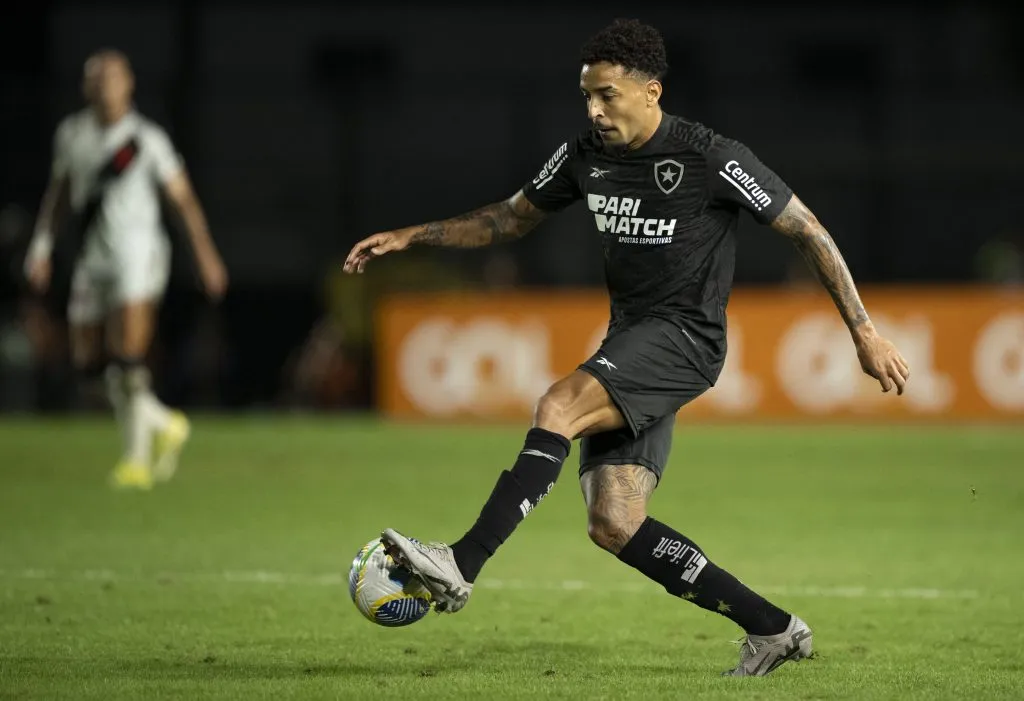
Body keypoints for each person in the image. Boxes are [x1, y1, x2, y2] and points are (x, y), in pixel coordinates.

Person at [343, 19, 910, 676]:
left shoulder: (710, 157)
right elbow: (508, 217)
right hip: (634, 340)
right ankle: (773, 627)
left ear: (651, 91)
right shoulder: (585, 154)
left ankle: (460, 561)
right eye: (587, 95)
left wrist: (862, 328)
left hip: (686, 339)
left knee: (557, 403)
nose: (594, 109)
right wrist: (413, 236)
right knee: (613, 521)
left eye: (607, 95)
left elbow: (806, 229)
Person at [24, 49, 228, 489]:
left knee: (128, 356)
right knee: (87, 363)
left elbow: (183, 200)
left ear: (128, 84)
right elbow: (58, 196)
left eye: (113, 78)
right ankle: (163, 423)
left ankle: (136, 462)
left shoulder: (147, 139)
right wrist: (40, 247)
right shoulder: (72, 134)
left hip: (139, 256)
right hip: (92, 259)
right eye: (96, 78)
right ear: (86, 87)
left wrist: (205, 255)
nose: (104, 86)